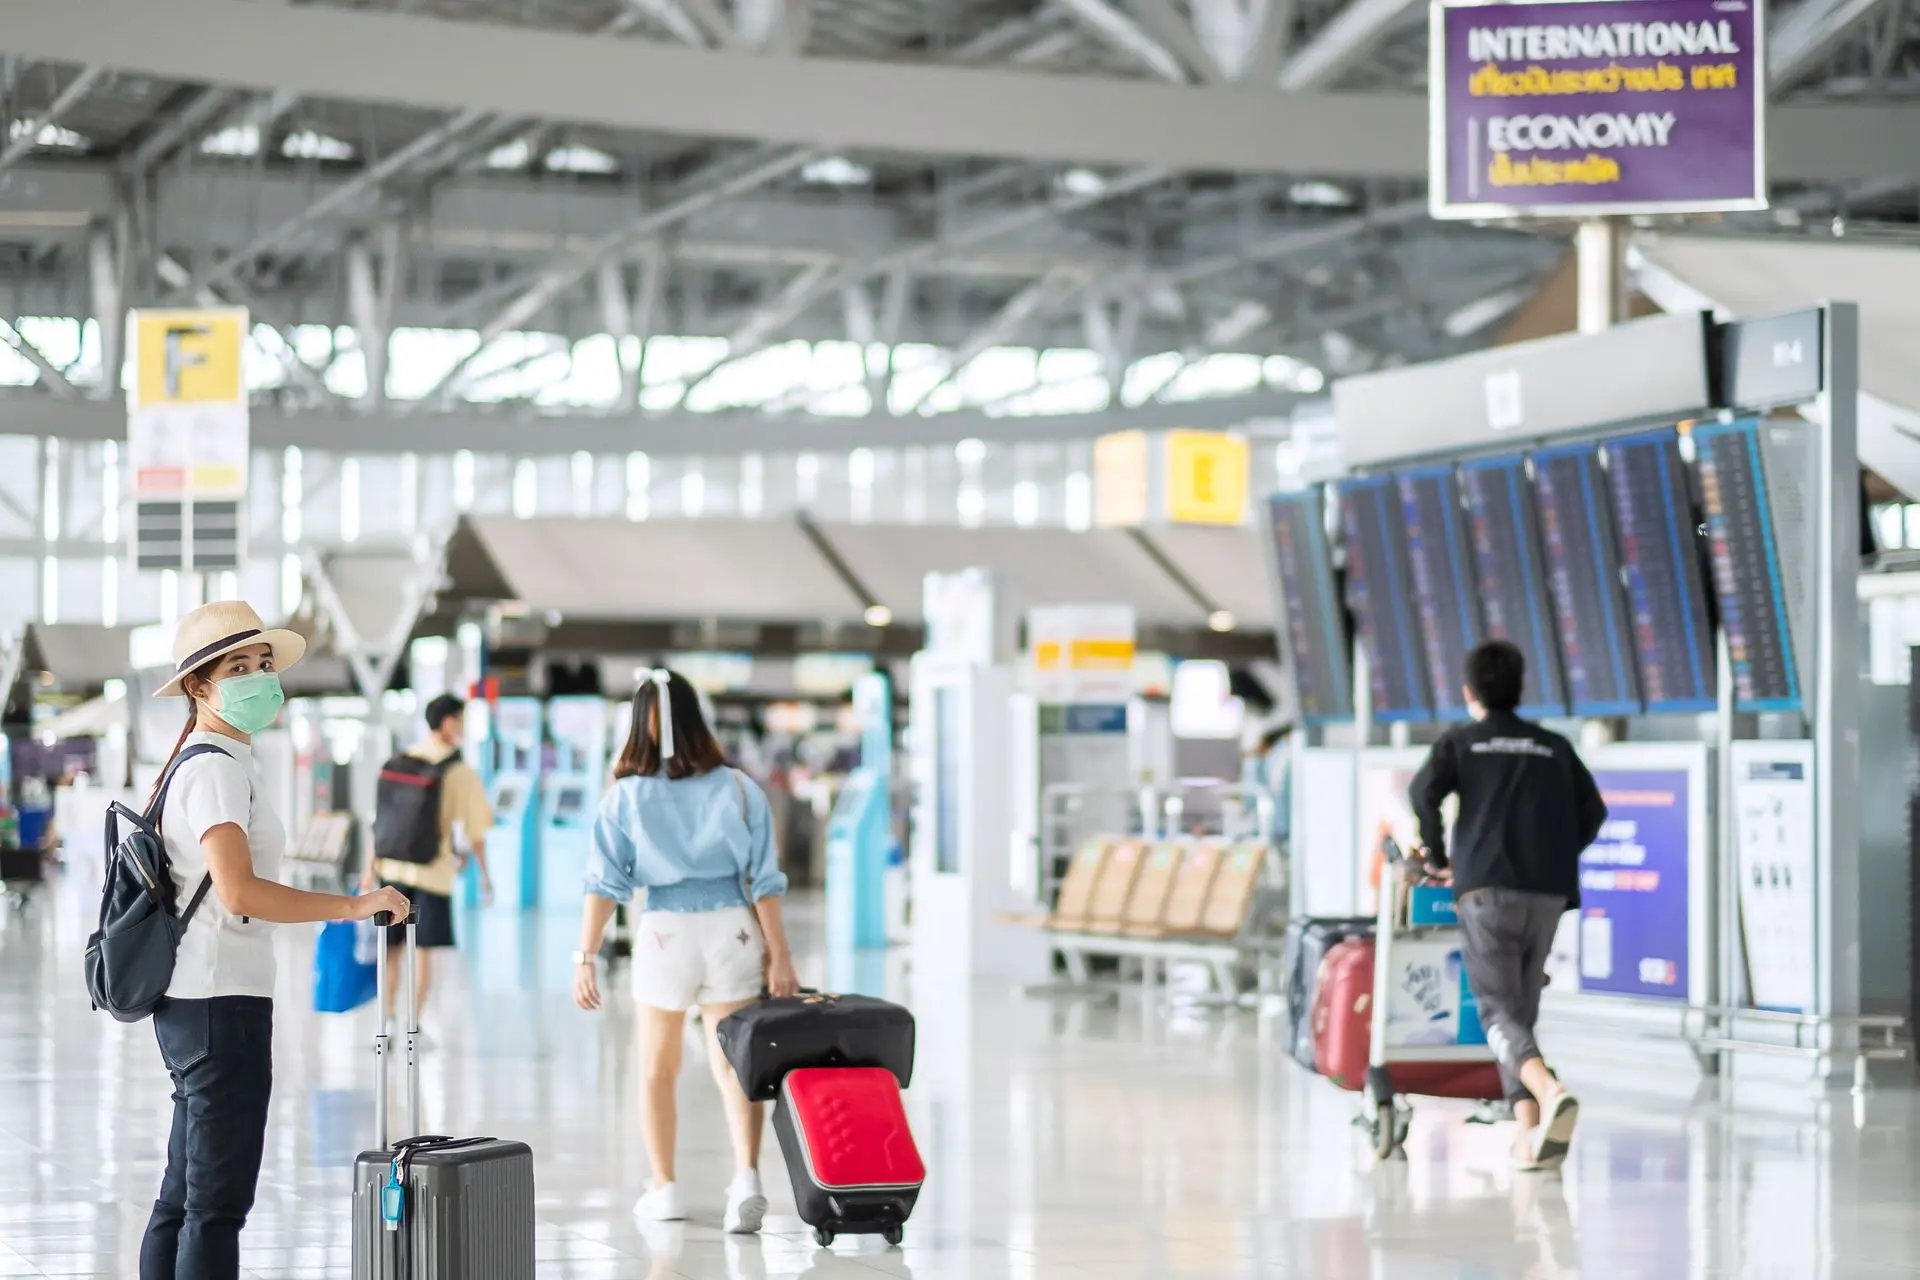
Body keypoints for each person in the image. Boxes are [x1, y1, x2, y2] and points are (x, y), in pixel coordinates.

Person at [140, 601, 410, 1280]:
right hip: (219, 1002)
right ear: (199, 685)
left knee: (185, 1195)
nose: (261, 677)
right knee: (215, 1206)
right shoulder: (215, 769)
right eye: (239, 667)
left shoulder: (216, 760)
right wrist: (353, 906)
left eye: (264, 663)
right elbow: (239, 892)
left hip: (197, 999)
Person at [571, 668, 799, 1235]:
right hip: (732, 929)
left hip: (664, 932)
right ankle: (746, 1178)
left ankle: (665, 1187)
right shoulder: (739, 789)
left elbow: (604, 884)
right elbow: (764, 881)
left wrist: (586, 956)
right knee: (733, 1063)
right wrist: (781, 955)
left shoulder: (625, 796)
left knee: (656, 1066)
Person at [1408, 639, 1606, 1173]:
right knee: (1519, 1012)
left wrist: (1438, 857)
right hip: (1547, 892)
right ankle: (1526, 1133)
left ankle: (1548, 1089)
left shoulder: (1462, 741)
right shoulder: (1553, 745)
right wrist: (1557, 853)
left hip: (1486, 890)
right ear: (1520, 688)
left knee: (1496, 1011)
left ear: (1469, 691)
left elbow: (1423, 793)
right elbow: (1593, 810)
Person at [362, 692, 494, 1041]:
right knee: (422, 952)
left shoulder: (397, 762)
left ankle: (387, 1021)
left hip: (390, 870)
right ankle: (413, 1024)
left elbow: (380, 823)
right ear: (449, 722)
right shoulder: (459, 772)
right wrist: (485, 876)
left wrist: (368, 869)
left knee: (390, 949)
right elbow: (477, 831)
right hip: (432, 873)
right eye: (461, 720)